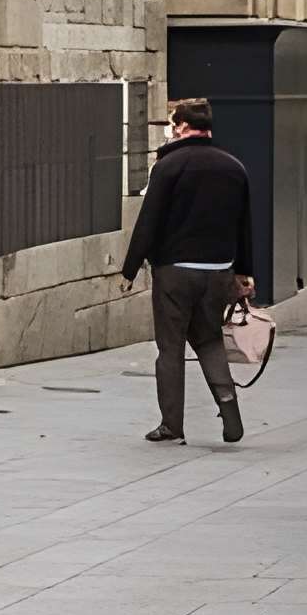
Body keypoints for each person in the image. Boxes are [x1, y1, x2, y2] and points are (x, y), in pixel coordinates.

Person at [121, 96, 255, 446]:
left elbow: (149, 221)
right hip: (218, 271)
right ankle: (229, 410)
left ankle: (171, 425)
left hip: (175, 271)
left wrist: (130, 268)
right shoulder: (234, 167)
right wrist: (244, 272)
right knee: (209, 339)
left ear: (180, 126)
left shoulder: (168, 167)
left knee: (170, 346)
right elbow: (244, 226)